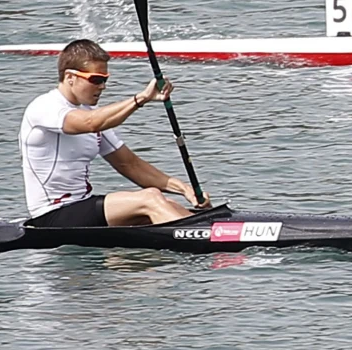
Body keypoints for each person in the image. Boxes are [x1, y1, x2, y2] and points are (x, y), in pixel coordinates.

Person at [18, 39, 210, 227]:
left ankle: (211, 231)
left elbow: (131, 165)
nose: (103, 86)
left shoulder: (93, 114)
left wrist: (185, 189)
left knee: (168, 204)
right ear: (70, 77)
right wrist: (141, 98)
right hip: (52, 214)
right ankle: (208, 237)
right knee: (151, 199)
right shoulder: (44, 107)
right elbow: (90, 123)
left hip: (81, 206)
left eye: (105, 79)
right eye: (96, 79)